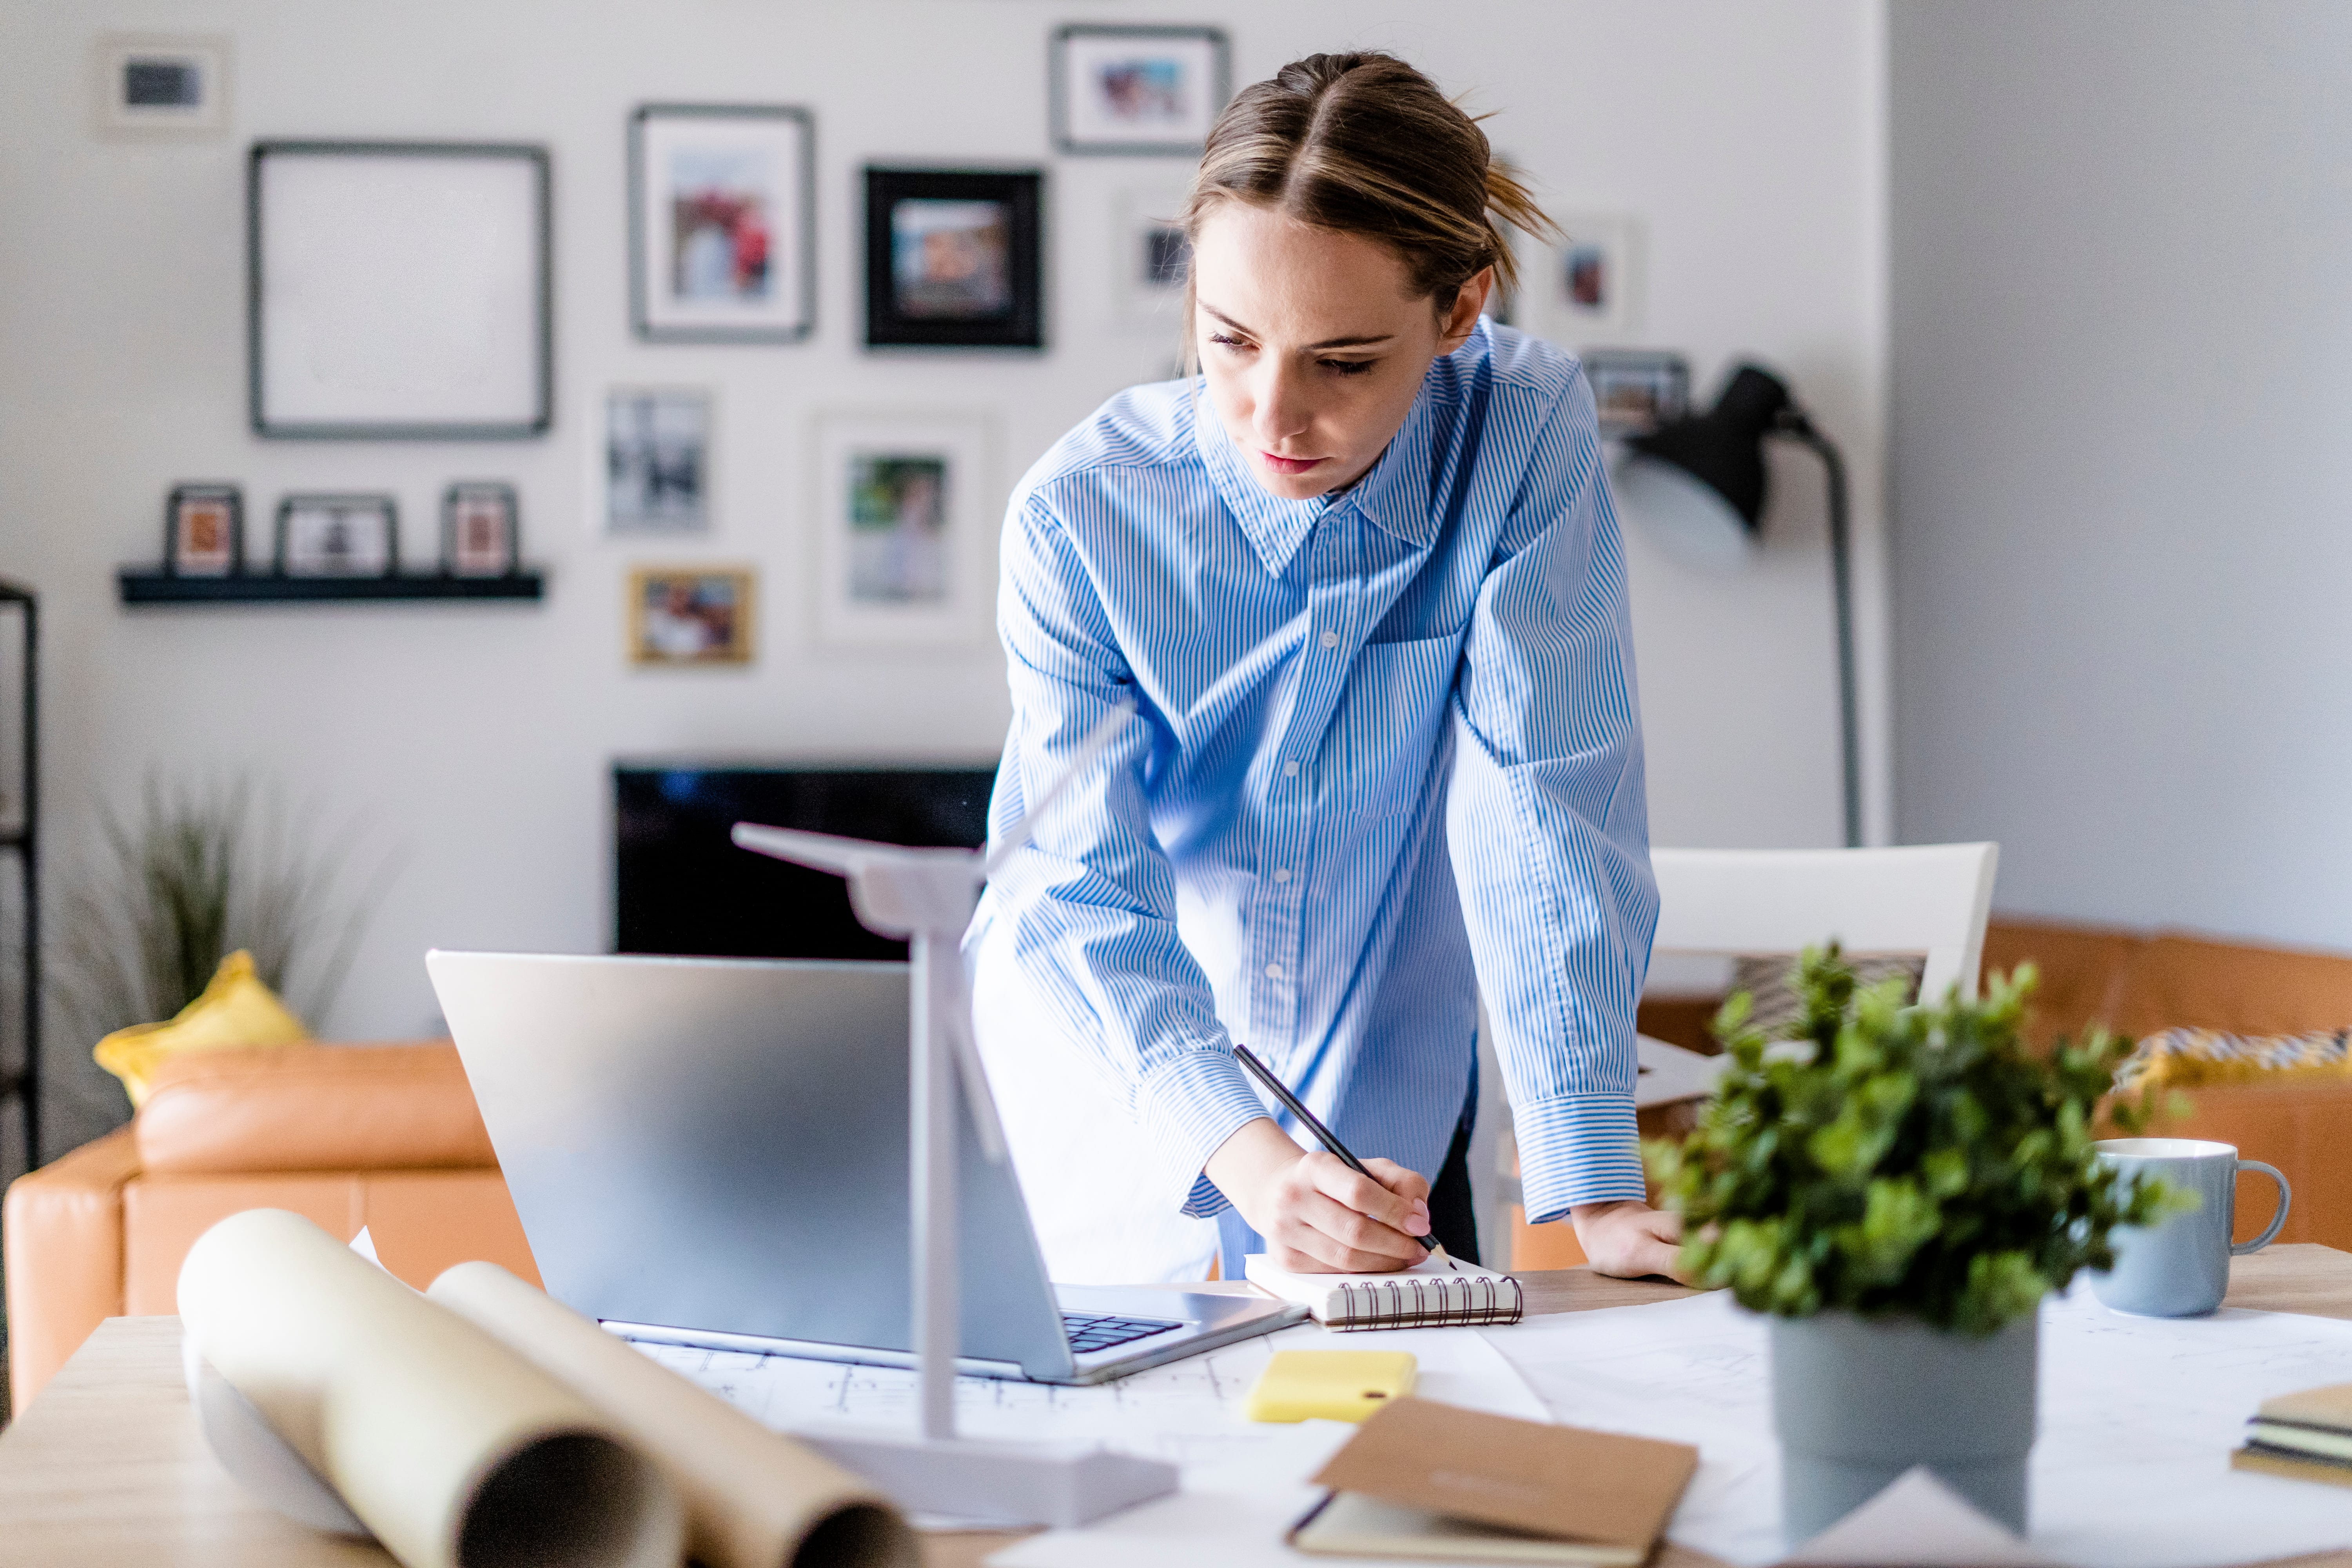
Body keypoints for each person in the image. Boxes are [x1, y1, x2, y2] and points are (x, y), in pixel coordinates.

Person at [967, 51, 1684, 1287]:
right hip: (1113, 1124)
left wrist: (1596, 1187)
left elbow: (1546, 797)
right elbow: (1079, 888)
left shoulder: (1519, 431)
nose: (1271, 418)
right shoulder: (1076, 519)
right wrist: (1249, 1159)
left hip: (1387, 1125)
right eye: (1231, 341)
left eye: (1343, 363)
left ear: (1459, 312)